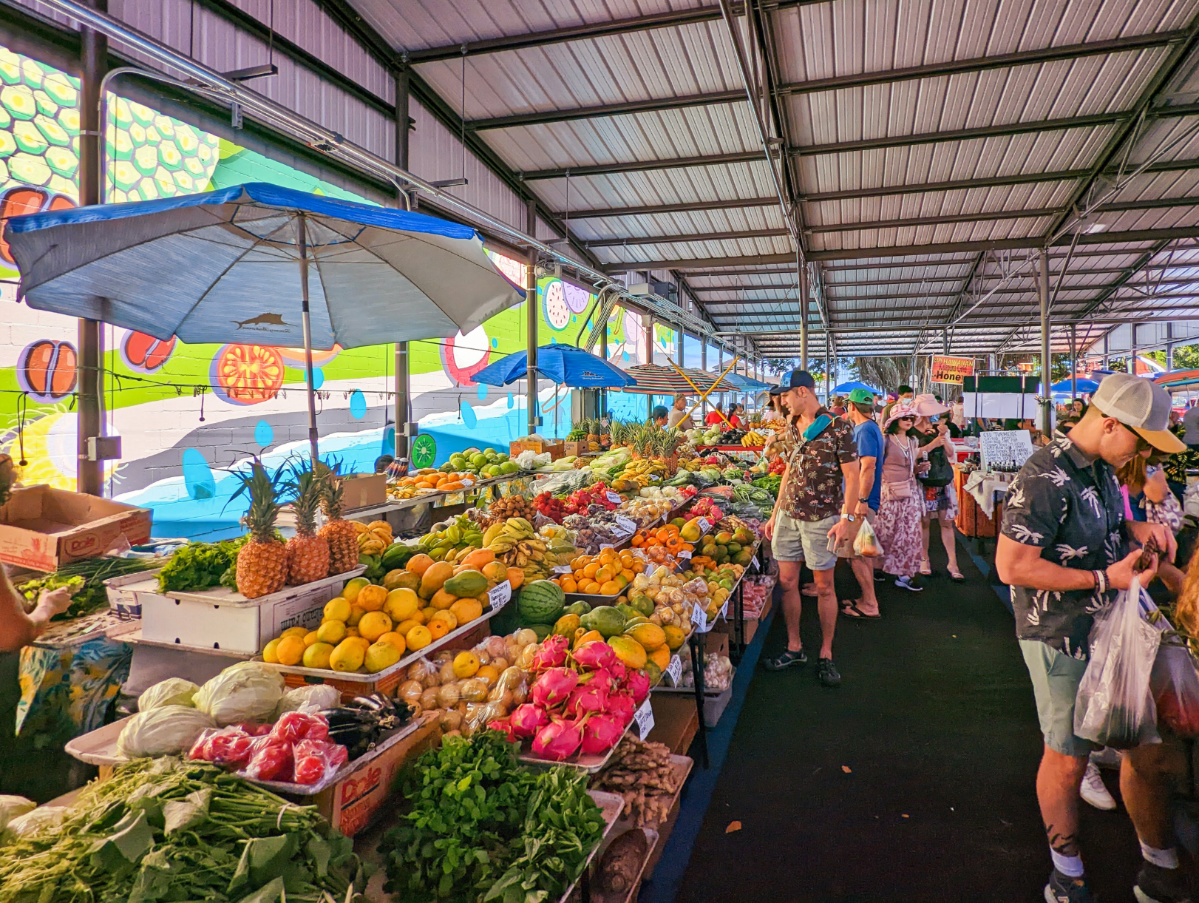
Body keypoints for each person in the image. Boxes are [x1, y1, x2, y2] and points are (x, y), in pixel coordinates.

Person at [995, 373, 1187, 903]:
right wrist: (1107, 578)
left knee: (1097, 744)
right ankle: (1066, 873)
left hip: (1101, 625)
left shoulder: (1101, 468)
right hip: (1059, 635)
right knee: (1065, 756)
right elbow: (1012, 567)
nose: (1144, 454)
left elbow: (1101, 525)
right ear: (1109, 424)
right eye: (1141, 441)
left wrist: (1134, 532)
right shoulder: (1043, 476)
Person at [762, 370, 859, 687]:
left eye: (785, 396)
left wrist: (848, 518)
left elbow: (853, 475)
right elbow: (789, 469)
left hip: (823, 519)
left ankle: (826, 653)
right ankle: (794, 647)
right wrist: (776, 513)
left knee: (825, 587)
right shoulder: (790, 427)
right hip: (788, 517)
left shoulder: (839, 427)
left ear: (802, 391)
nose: (782, 402)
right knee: (788, 583)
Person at [838, 389, 886, 616]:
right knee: (862, 552)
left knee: (856, 556)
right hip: (862, 500)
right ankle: (868, 599)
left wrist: (862, 500)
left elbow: (868, 466)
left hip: (860, 502)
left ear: (852, 406)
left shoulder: (865, 430)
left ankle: (870, 604)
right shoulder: (870, 427)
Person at [909, 395, 965, 582]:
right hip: (923, 480)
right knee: (924, 522)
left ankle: (953, 562)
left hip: (943, 478)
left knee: (946, 521)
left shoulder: (939, 430)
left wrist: (942, 435)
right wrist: (932, 443)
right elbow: (912, 457)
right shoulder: (911, 432)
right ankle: (924, 558)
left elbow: (950, 453)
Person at [875, 402, 926, 592]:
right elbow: (875, 466)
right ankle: (878, 567)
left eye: (911, 418)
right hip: (888, 493)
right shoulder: (886, 440)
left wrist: (919, 469)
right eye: (905, 418)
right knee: (885, 532)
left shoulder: (913, 441)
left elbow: (910, 467)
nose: (909, 421)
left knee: (910, 534)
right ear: (895, 421)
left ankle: (904, 574)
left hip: (909, 492)